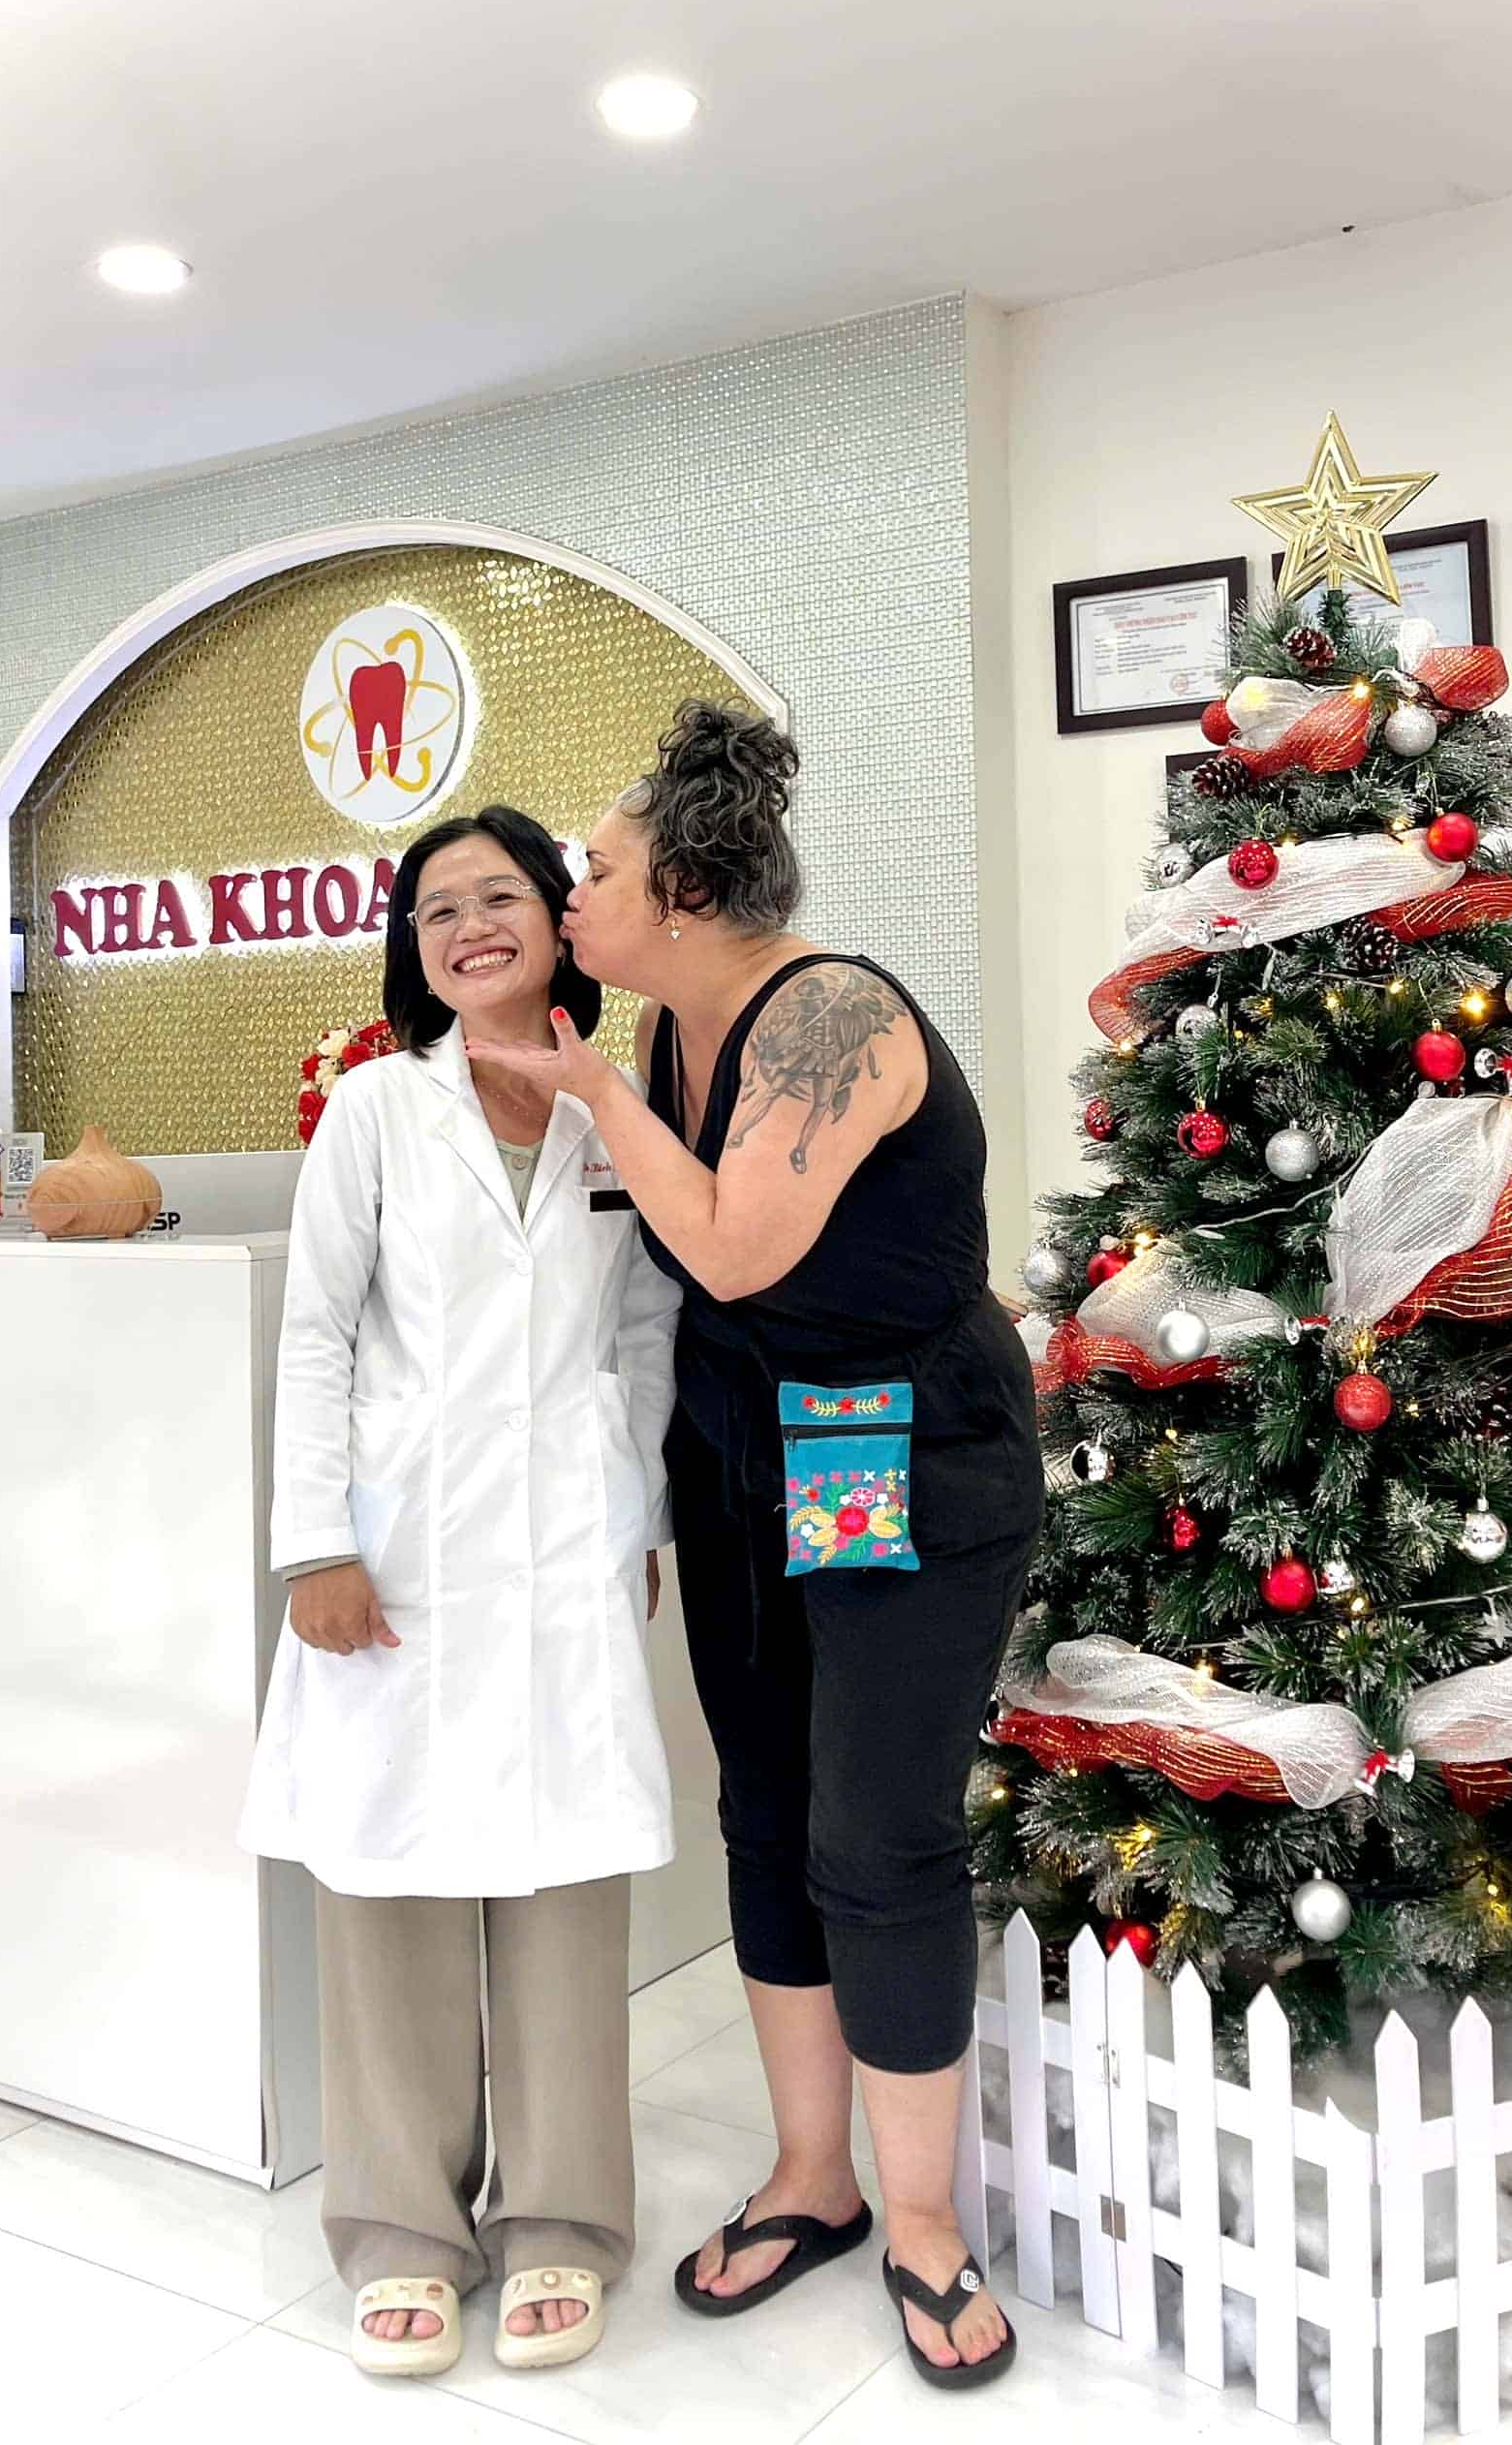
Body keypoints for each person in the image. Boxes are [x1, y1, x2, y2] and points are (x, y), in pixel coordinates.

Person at [462, 702, 1043, 2391]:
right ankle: (814, 2180)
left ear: (692, 891)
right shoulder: (669, 1029)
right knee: (769, 1813)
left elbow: (727, 1246)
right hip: (744, 1459)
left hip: (896, 1450)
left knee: (878, 1833)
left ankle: (922, 2223)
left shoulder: (833, 1014)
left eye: (600, 867)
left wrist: (584, 1086)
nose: (571, 891)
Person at [236, 808, 681, 2380]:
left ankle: (562, 2218)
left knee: (563, 1884)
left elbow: (645, 1335)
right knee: (390, 1881)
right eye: (438, 910)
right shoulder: (375, 1108)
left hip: (565, 1547)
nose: (472, 925)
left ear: (561, 926)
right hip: (401, 1550)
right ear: (412, 950)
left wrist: (634, 1514)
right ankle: (401, 2230)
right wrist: (314, 1544)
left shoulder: (615, 1111)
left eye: (501, 897)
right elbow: (318, 1333)